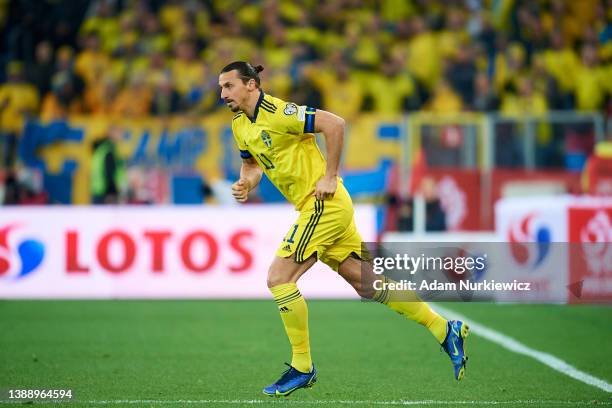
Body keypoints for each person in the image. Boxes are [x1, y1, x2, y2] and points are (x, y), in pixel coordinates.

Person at [219, 61, 469, 397]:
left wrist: (330, 176)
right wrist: (246, 183)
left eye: (229, 86)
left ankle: (302, 366)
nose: (223, 94)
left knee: (279, 278)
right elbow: (251, 164)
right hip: (324, 207)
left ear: (251, 85)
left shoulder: (280, 112)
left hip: (323, 204)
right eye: (221, 88)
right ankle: (444, 328)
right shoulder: (240, 126)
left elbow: (335, 124)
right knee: (365, 282)